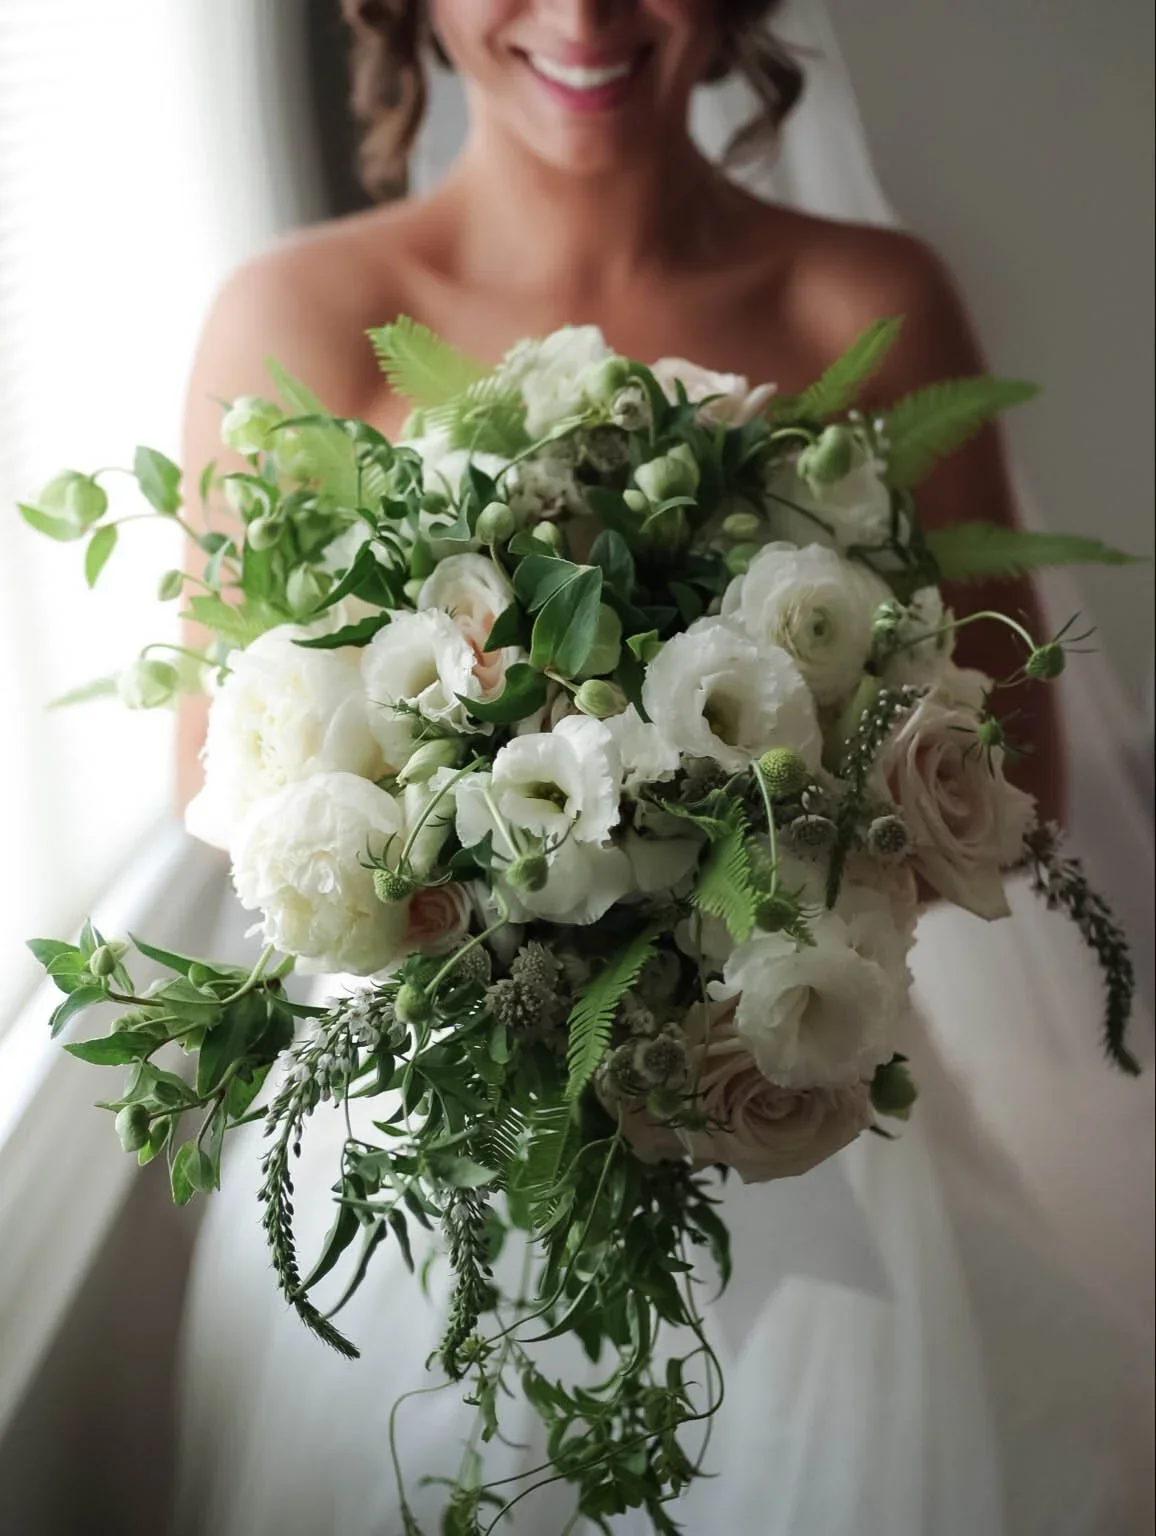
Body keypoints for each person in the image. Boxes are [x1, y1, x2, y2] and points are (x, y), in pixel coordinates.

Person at [174, 5, 1153, 1533]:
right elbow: (220, 779)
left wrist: (748, 885)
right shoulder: (293, 317)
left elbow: (1016, 782)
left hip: (804, 1106)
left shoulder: (865, 300)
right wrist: (514, 913)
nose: (584, 15)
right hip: (418, 1177)